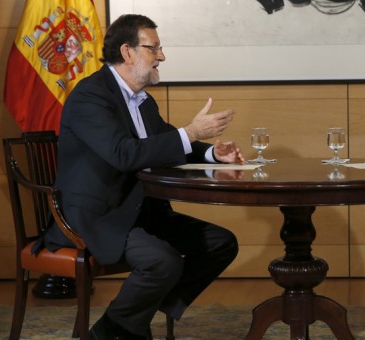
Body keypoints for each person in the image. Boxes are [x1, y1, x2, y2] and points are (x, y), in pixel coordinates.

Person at [37, 14, 245, 339]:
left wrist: (212, 154)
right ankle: (108, 332)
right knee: (164, 262)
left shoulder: (141, 100)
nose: (162, 56)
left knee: (221, 243)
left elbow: (164, 141)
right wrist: (190, 131)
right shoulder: (89, 96)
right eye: (155, 48)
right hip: (96, 215)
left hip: (135, 210)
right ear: (128, 52)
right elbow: (124, 154)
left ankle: (136, 316)